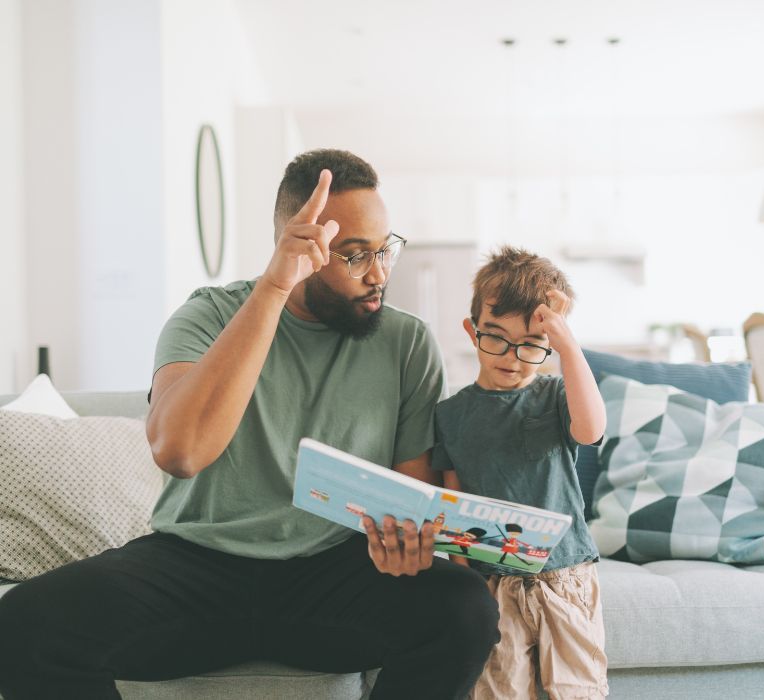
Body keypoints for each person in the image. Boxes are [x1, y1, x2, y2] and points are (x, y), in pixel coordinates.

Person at [0, 149, 499, 700]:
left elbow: (411, 493)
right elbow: (179, 451)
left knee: (465, 608)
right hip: (196, 566)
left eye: (385, 250)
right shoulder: (207, 315)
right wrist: (274, 289)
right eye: (355, 256)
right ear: (297, 245)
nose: (378, 273)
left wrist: (405, 543)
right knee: (22, 622)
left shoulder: (406, 342)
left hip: (335, 572)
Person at [432, 247, 610, 699]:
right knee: (498, 692)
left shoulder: (554, 395)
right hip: (493, 583)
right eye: (496, 338)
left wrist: (568, 345)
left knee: (577, 689)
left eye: (531, 344)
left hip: (564, 577)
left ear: (549, 345)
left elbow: (591, 430)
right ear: (472, 333)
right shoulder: (450, 415)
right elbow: (452, 502)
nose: (511, 356)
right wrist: (467, 580)